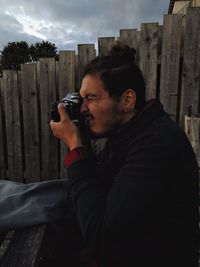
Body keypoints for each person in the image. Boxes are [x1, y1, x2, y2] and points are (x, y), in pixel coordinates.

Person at [50, 45, 199, 267]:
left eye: (91, 98)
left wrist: (75, 146)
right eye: (82, 99)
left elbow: (100, 235)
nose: (82, 108)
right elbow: (98, 190)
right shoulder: (129, 132)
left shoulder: (155, 145)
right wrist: (81, 139)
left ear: (127, 100)